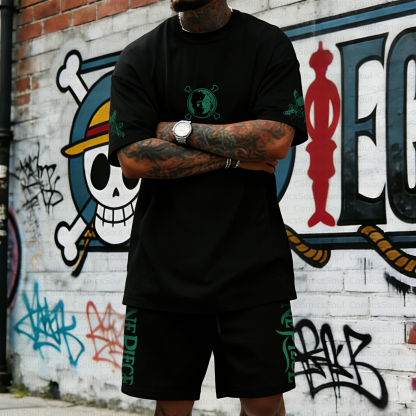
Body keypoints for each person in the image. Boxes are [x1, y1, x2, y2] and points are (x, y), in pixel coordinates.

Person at [107, 0, 308, 413]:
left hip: (253, 265)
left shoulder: (267, 45)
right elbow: (133, 159)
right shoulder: (140, 57)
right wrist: (234, 159)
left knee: (265, 404)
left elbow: (274, 140)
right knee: (172, 407)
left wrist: (177, 131)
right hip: (164, 269)